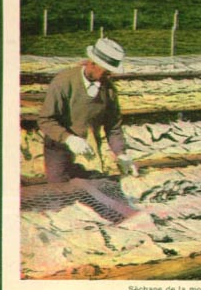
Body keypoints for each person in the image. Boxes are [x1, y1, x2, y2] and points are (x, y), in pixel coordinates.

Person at [38, 38, 138, 183]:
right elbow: (45, 120)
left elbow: (113, 127)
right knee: (59, 190)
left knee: (93, 189)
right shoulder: (63, 82)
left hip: (89, 149)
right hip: (59, 147)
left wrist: (121, 154)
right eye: (106, 72)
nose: (109, 76)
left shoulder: (108, 90)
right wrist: (69, 139)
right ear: (92, 64)